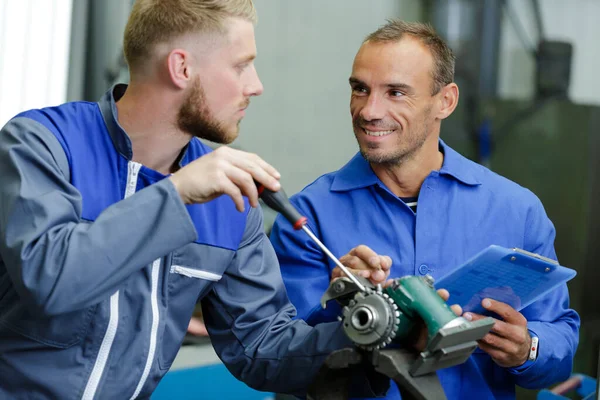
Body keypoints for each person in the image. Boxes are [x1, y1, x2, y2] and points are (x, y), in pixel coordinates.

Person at [0, 1, 392, 398]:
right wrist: (177, 193)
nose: (255, 85)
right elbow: (50, 279)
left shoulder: (229, 198)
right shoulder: (41, 143)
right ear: (182, 68)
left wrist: (371, 331)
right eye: (241, 65)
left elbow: (261, 348)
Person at [270, 20, 580, 400]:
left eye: (396, 92)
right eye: (360, 89)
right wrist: (339, 306)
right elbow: (281, 360)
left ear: (446, 101)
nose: (369, 111)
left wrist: (527, 348)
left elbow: (559, 344)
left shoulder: (517, 211)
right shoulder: (306, 216)